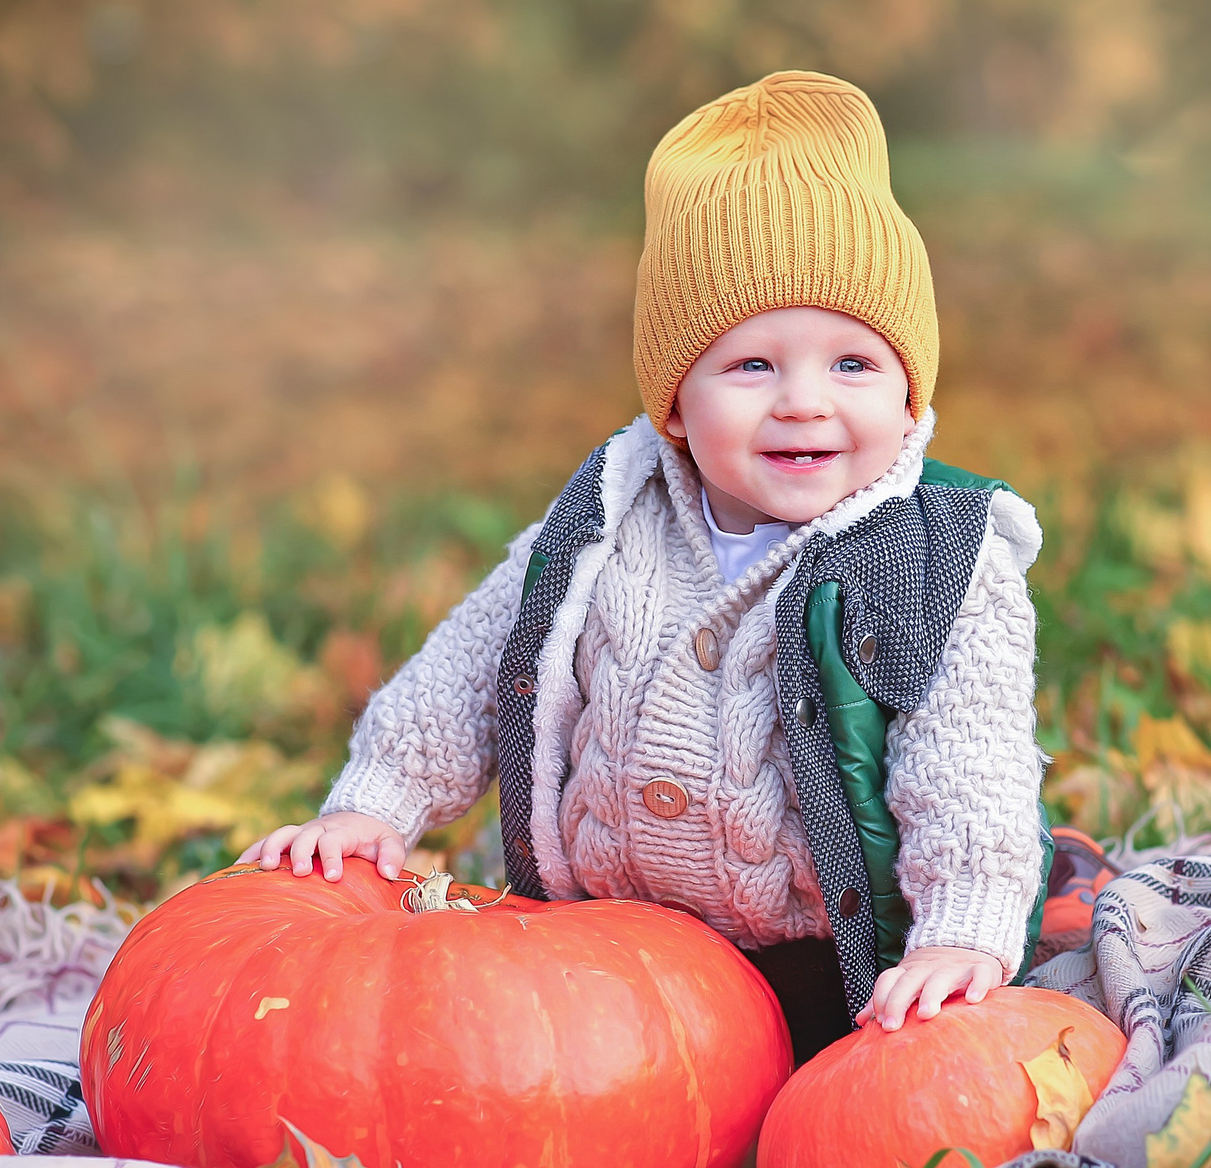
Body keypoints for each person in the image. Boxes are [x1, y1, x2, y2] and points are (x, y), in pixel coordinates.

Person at [241, 70, 1048, 1064]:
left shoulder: (941, 559)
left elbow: (969, 757)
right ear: (674, 401)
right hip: (598, 971)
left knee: (823, 1112)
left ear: (909, 390)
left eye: (853, 364)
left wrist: (961, 926)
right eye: (751, 365)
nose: (803, 401)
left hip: (830, 969)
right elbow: (475, 664)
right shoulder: (607, 519)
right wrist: (377, 801)